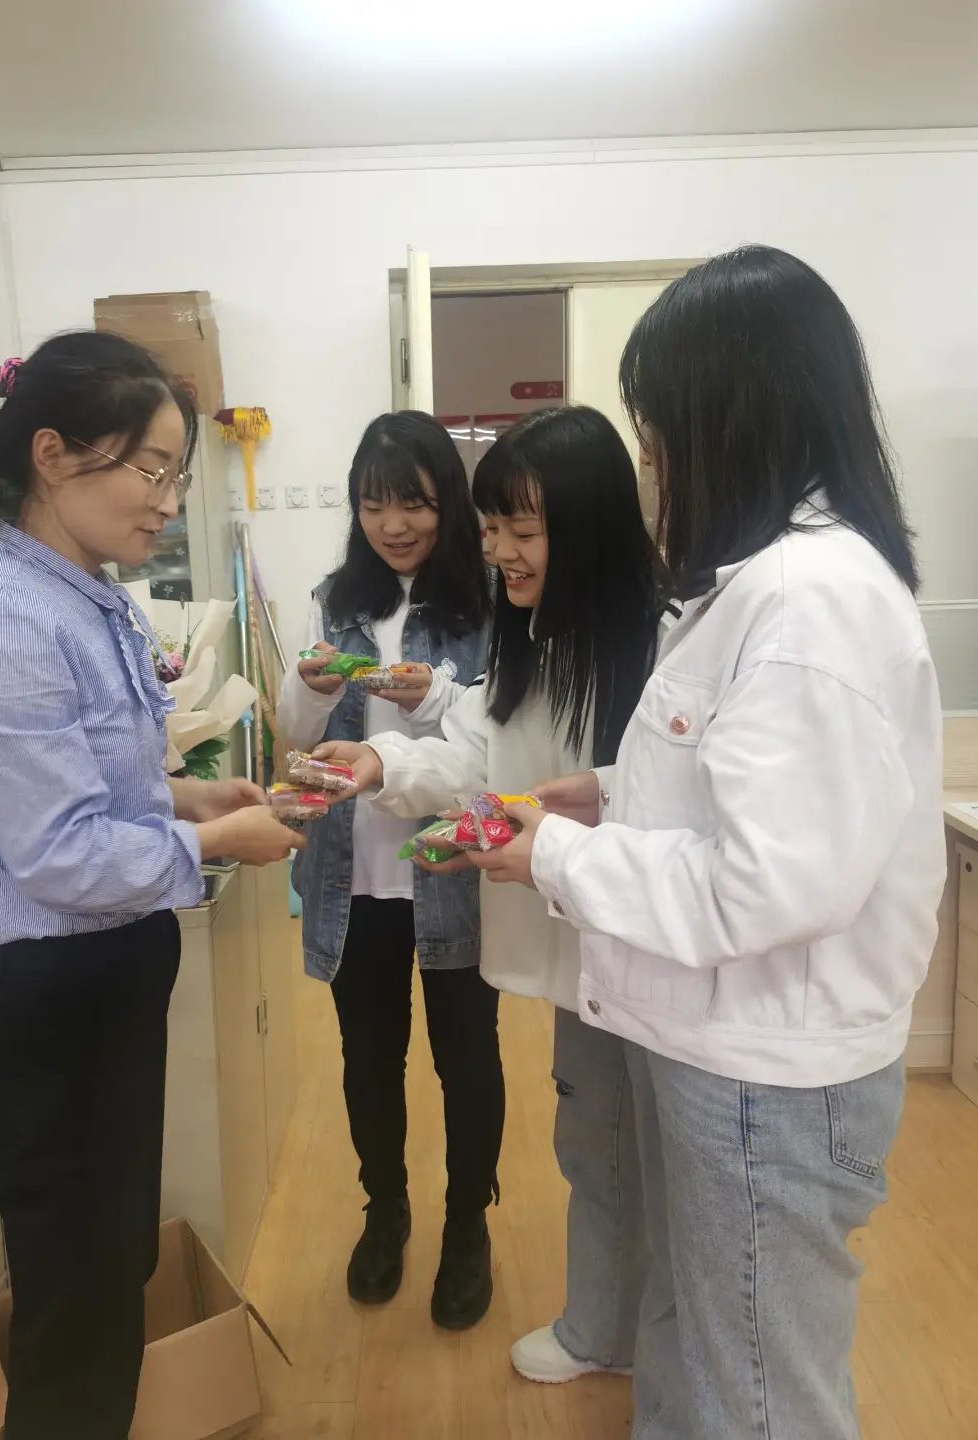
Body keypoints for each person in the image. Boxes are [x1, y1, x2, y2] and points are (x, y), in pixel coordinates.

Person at [470, 247, 946, 1440]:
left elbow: (766, 884)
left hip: (764, 1078)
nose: (653, 465)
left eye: (657, 434)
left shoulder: (809, 602)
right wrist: (609, 795)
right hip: (719, 1051)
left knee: (757, 1395)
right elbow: (746, 791)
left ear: (729, 418)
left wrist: (554, 856)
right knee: (694, 1338)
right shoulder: (756, 589)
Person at [0, 333, 302, 1440]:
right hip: (55, 1001)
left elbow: (88, 780)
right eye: (152, 471)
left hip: (104, 980)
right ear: (51, 455)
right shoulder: (5, 622)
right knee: (76, 1318)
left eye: (177, 474)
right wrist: (218, 845)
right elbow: (58, 856)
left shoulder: (84, 598)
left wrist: (189, 798)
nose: (169, 502)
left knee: (108, 1270)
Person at [314, 405, 662, 1382]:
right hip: (570, 947)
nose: (499, 548)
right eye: (492, 525)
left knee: (656, 1158)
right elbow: (474, 750)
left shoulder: (656, 645)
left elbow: (656, 799)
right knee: (592, 1140)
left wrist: (561, 826)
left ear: (587, 523)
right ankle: (602, 1330)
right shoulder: (526, 635)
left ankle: (643, 1342)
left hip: (648, 947)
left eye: (521, 527)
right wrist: (382, 763)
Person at [277, 411, 501, 1330]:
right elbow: (295, 732)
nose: (394, 524)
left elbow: (498, 743)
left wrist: (432, 698)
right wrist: (315, 685)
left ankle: (467, 1227)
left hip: (452, 868)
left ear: (449, 501)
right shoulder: (336, 601)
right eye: (375, 505)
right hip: (353, 873)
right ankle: (386, 1210)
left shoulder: (490, 600)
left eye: (414, 503)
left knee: (467, 1060)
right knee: (369, 1058)